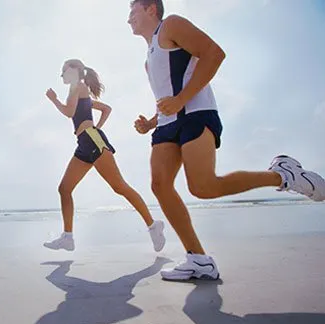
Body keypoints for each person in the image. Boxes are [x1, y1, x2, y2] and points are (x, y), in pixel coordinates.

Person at [127, 0, 325, 280]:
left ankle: (282, 175)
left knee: (203, 187)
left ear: (151, 9)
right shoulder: (148, 60)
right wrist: (151, 121)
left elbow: (214, 53)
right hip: (168, 124)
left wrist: (181, 100)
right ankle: (198, 259)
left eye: (132, 10)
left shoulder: (171, 24)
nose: (128, 19)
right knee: (160, 185)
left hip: (195, 114)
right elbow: (167, 95)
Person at [43, 59, 165, 252]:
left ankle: (153, 226)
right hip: (84, 142)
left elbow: (69, 112)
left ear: (74, 70)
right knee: (64, 188)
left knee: (119, 186)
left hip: (92, 141)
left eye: (63, 71)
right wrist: (94, 128)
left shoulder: (79, 86)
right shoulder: (79, 91)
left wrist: (54, 99)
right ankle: (67, 237)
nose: (62, 75)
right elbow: (106, 109)